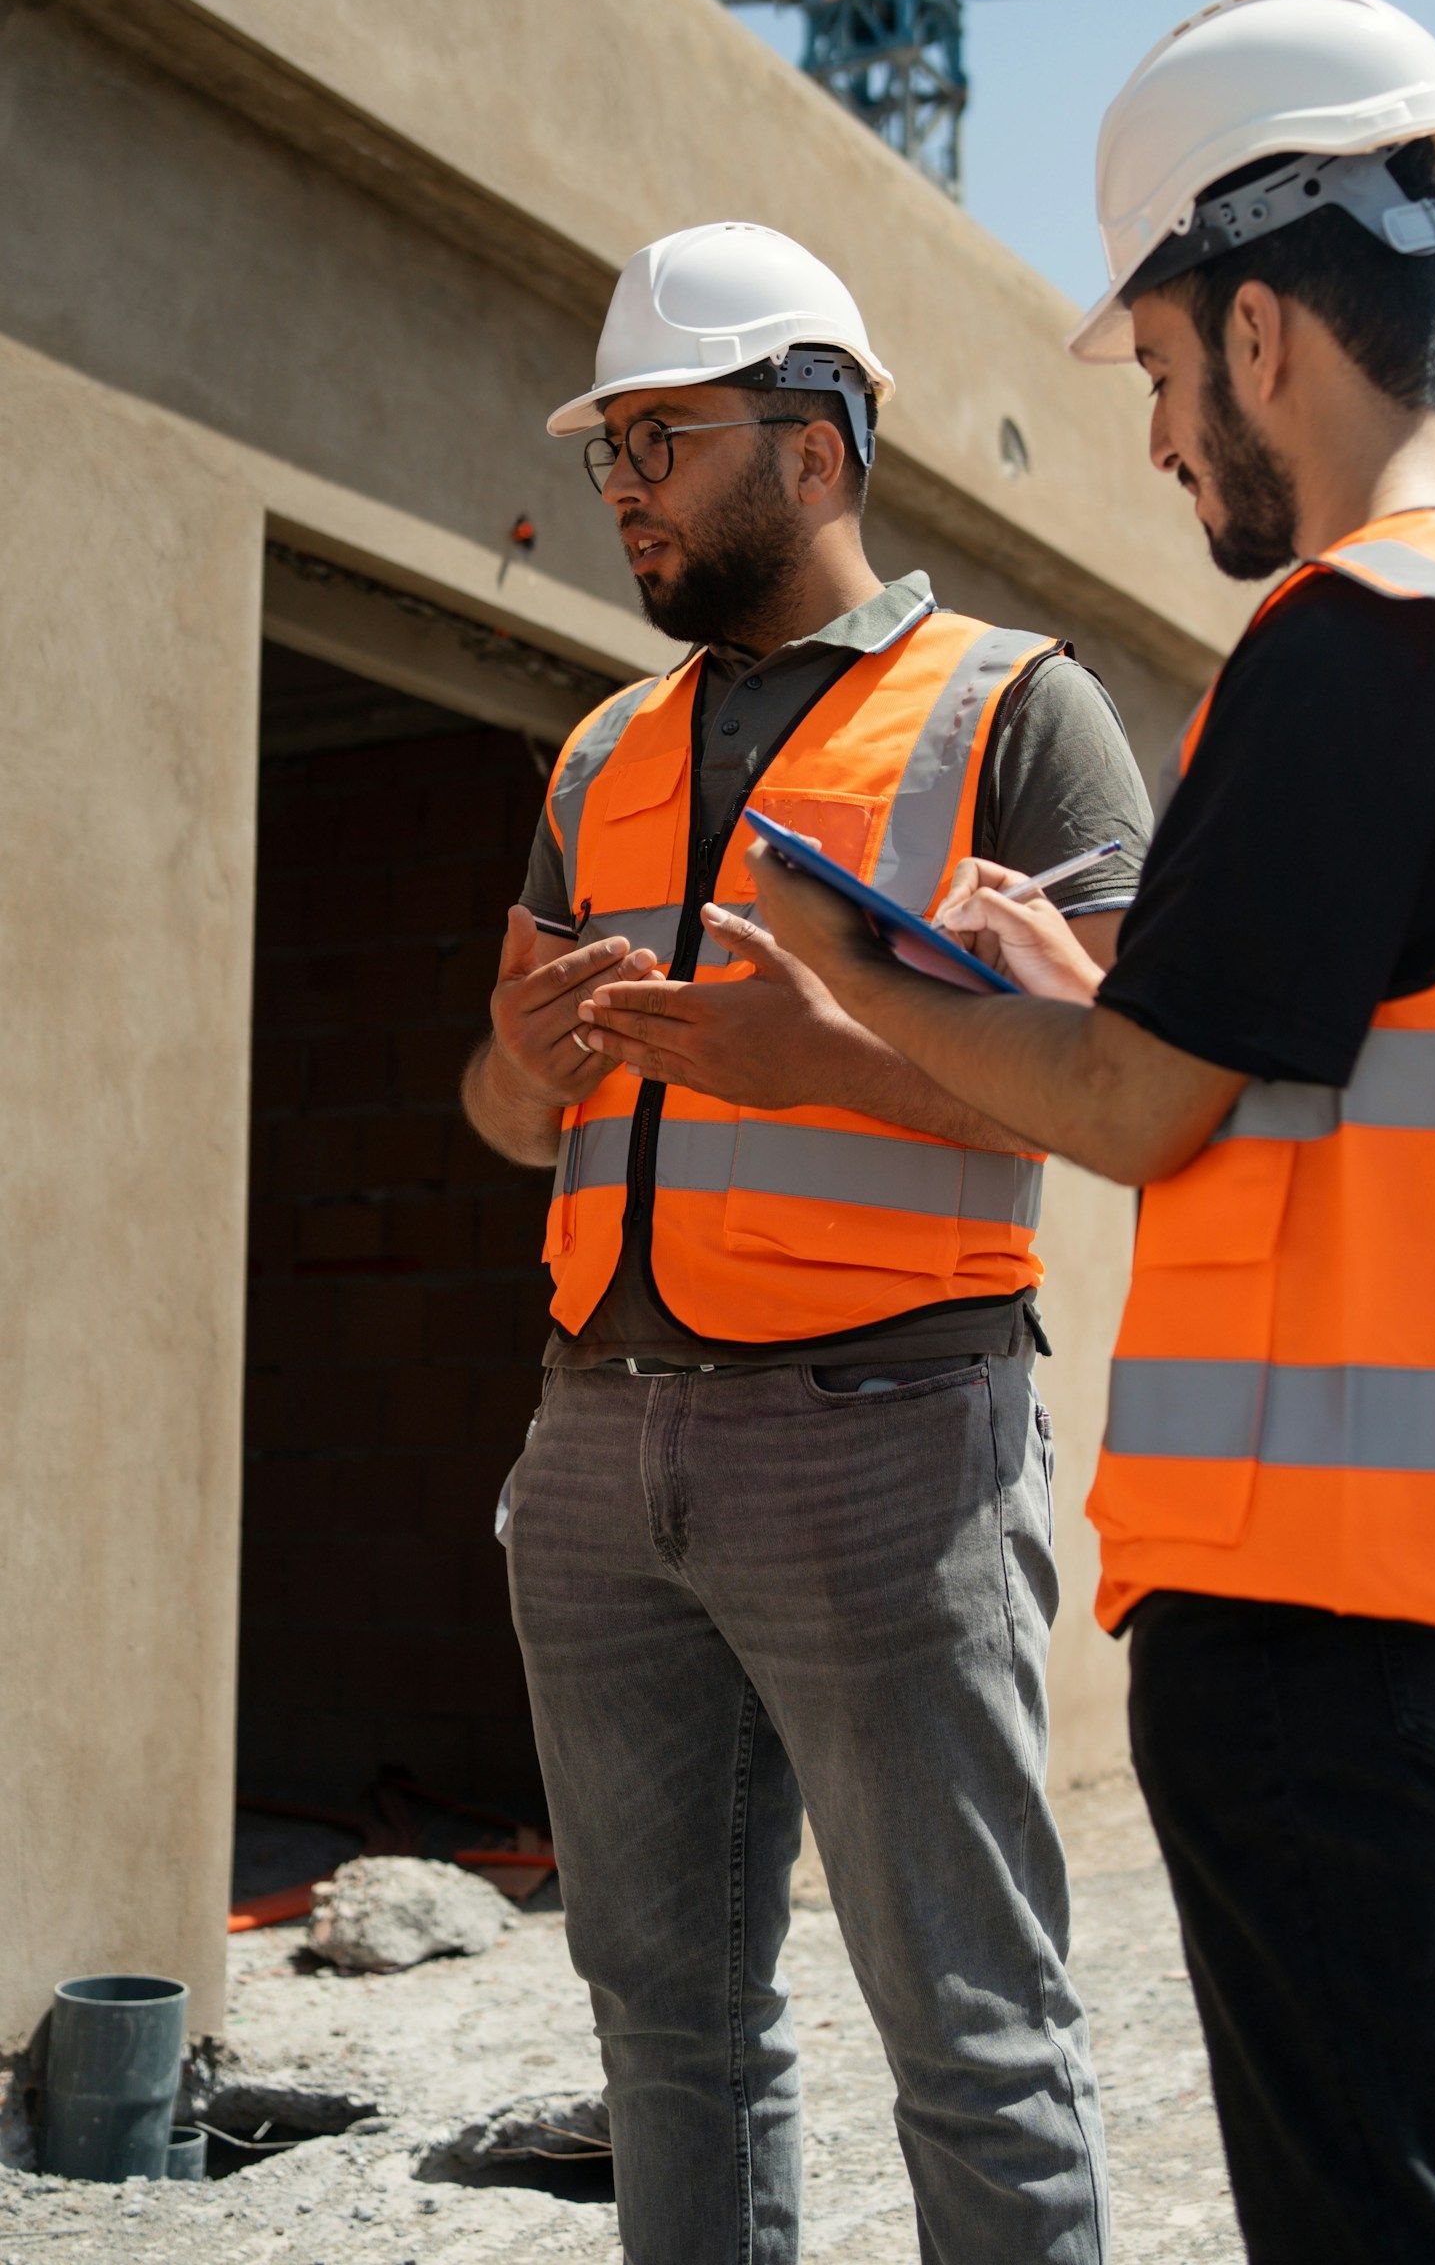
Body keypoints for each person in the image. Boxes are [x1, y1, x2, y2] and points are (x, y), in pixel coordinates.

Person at [747, 0, 1435, 2265]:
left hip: (1351, 1625)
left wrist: (858, 987)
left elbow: (1138, 1106)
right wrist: (1100, 994)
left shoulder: (1350, 638)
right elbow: (1276, 1070)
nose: (1166, 444)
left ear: (1265, 332)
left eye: (1169, 381)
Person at [462, 219, 1148, 2265]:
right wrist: (523, 1071)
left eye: (665, 437)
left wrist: (830, 1057)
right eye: (612, 453)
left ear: (820, 447)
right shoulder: (599, 754)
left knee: (974, 2043)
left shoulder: (1024, 715)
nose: (627, 486)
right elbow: (505, 1124)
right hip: (599, 1455)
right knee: (665, 2034)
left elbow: (1130, 1096)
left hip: (892, 1445)